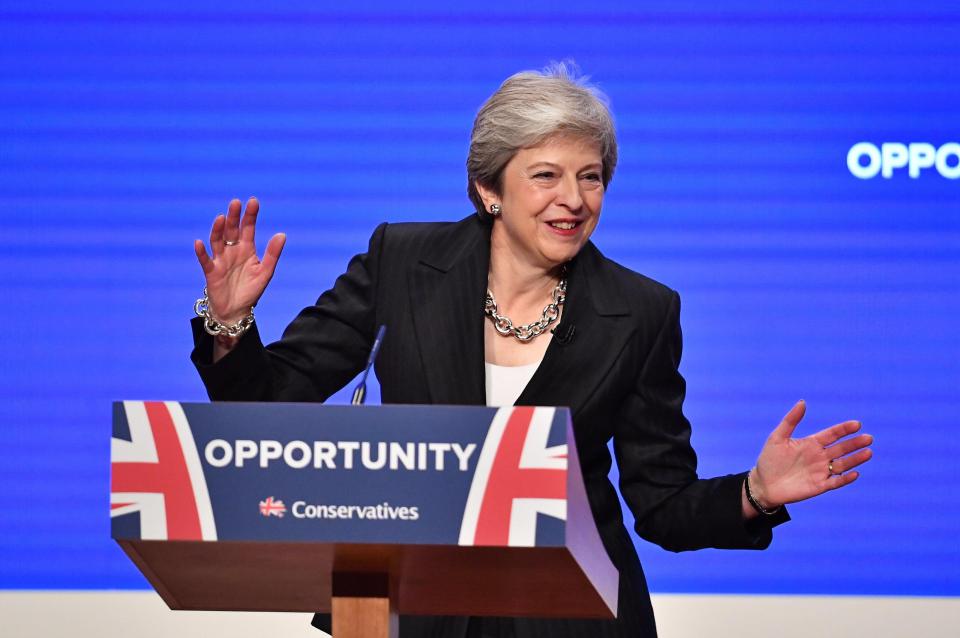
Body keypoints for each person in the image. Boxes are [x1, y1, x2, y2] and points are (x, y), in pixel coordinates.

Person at [190, 63, 873, 638]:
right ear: (491, 188)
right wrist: (230, 324)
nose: (573, 200)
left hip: (573, 621)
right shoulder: (401, 260)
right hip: (406, 613)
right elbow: (266, 409)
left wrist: (754, 493)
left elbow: (660, 503)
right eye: (546, 175)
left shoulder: (640, 310)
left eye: (592, 176)